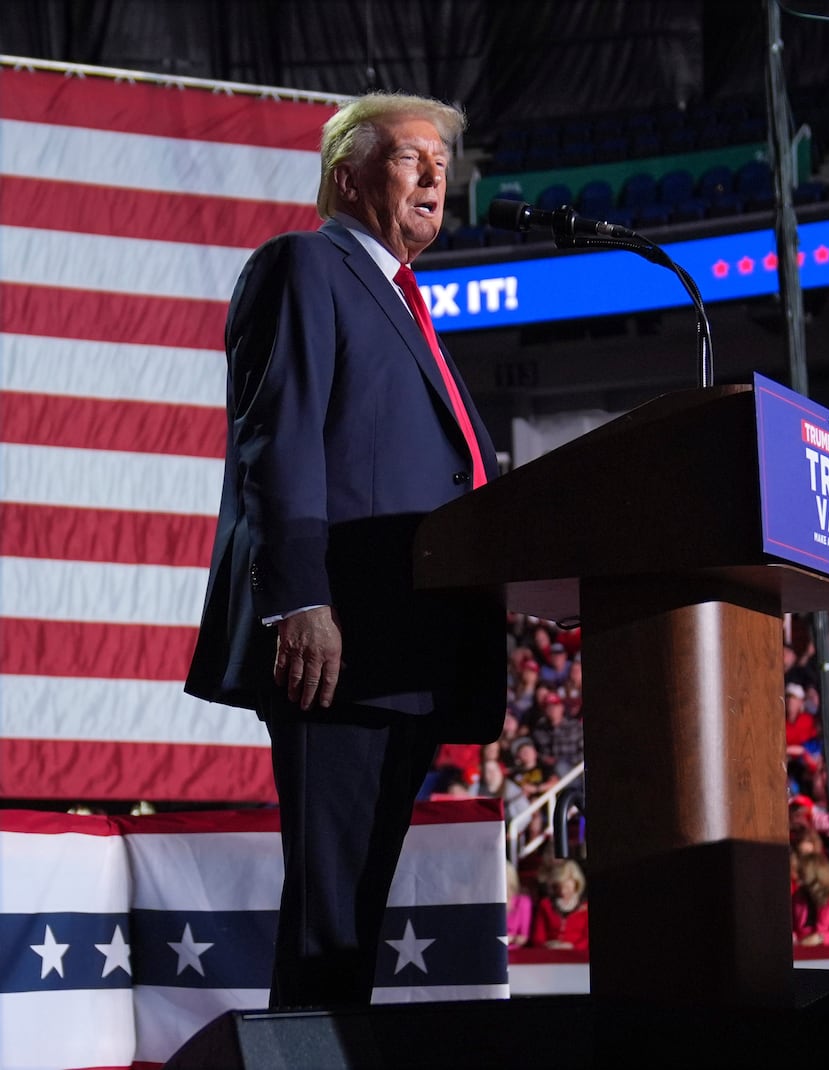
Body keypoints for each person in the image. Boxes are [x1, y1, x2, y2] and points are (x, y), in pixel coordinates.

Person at [184, 93, 502, 1009]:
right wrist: (300, 602)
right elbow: (276, 443)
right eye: (413, 157)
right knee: (331, 921)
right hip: (343, 645)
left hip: (407, 648)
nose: (437, 175)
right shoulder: (305, 267)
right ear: (346, 176)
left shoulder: (407, 305)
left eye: (443, 159)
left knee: (355, 917)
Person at [532, 858, 590, 951]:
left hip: (578, 956)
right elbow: (538, 938)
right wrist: (549, 946)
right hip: (550, 954)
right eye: (559, 887)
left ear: (576, 883)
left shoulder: (586, 907)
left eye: (566, 887)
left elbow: (587, 939)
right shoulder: (545, 905)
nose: (563, 891)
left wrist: (571, 947)